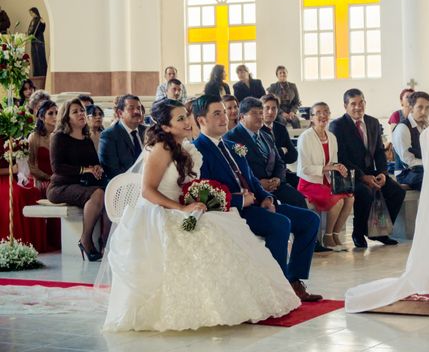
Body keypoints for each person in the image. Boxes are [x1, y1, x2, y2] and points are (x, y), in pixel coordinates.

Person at [103, 99, 300, 331]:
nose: (188, 122)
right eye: (180, 119)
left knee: (228, 231)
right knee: (209, 238)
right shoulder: (161, 149)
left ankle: (239, 299)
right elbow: (147, 191)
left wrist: (199, 201)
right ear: (165, 127)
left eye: (186, 116)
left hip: (186, 208)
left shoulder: (185, 147)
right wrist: (181, 208)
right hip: (161, 212)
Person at [192, 95, 322, 302]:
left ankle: (292, 280)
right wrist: (239, 200)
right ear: (201, 120)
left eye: (224, 112)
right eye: (217, 114)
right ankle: (275, 288)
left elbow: (250, 178)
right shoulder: (198, 150)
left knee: (310, 220)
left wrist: (266, 197)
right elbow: (202, 192)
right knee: (280, 224)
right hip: (233, 211)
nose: (225, 117)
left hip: (255, 204)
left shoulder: (230, 145)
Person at [329, 89, 406, 249]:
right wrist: (363, 177)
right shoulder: (337, 125)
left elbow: (379, 151)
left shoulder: (372, 122)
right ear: (345, 106)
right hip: (347, 174)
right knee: (364, 191)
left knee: (397, 191)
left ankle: (380, 232)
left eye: (361, 102)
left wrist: (383, 173)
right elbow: (341, 157)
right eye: (353, 104)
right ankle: (358, 232)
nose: (358, 107)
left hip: (371, 171)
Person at [47, 98, 108, 261]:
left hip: (82, 185)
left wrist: (96, 168)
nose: (81, 113)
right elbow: (57, 168)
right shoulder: (58, 137)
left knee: (105, 192)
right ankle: (86, 240)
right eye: (75, 111)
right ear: (66, 118)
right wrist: (85, 169)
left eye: (81, 110)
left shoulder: (86, 138)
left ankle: (101, 241)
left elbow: (94, 162)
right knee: (97, 193)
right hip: (60, 186)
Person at [225, 97, 308, 209]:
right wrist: (258, 183)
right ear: (242, 117)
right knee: (284, 213)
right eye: (254, 113)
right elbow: (235, 171)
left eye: (260, 112)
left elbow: (279, 162)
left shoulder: (266, 136)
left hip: (275, 186)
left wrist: (278, 179)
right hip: (252, 190)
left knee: (299, 202)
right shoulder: (230, 138)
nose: (260, 117)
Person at [297, 102, 354, 251]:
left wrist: (338, 167)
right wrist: (326, 168)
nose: (323, 116)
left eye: (326, 112)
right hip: (309, 183)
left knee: (350, 198)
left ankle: (336, 234)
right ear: (312, 118)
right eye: (318, 113)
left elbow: (333, 162)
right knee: (337, 201)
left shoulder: (331, 137)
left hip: (327, 181)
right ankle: (327, 237)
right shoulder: (305, 137)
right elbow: (304, 168)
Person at [391, 91, 429, 191]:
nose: (424, 112)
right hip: (406, 173)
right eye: (420, 107)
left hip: (425, 169)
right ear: (411, 107)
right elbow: (408, 161)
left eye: (427, 108)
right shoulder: (403, 128)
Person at [98, 95, 146, 181]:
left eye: (139, 108)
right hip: (124, 185)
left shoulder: (147, 131)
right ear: (120, 113)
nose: (137, 111)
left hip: (149, 181)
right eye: (131, 108)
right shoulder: (109, 135)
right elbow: (112, 171)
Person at [261, 93, 299, 188]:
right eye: (267, 108)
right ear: (261, 110)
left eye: (274, 108)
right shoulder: (257, 129)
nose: (270, 112)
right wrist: (282, 151)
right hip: (264, 178)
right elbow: (264, 158)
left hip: (282, 173)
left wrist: (277, 155)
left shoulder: (280, 128)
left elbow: (294, 155)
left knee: (302, 183)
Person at [27, 100, 57, 193]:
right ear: (41, 117)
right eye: (50, 113)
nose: (55, 116)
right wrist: (48, 177)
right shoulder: (34, 137)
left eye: (57, 113)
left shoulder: (61, 136)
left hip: (59, 181)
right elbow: (30, 165)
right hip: (41, 182)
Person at [27, 7, 47, 78]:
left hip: (39, 41)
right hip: (33, 41)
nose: (31, 14)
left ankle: (42, 73)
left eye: (32, 13)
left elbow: (42, 29)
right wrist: (28, 34)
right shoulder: (33, 20)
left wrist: (43, 23)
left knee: (40, 58)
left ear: (35, 12)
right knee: (35, 58)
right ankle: (36, 73)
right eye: (30, 13)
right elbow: (30, 29)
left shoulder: (39, 20)